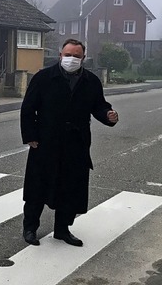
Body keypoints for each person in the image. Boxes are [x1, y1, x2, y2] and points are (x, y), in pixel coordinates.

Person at [20, 39, 119, 246]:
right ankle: (30, 228)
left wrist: (108, 115)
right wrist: (30, 136)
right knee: (37, 188)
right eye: (68, 55)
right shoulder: (44, 78)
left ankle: (62, 229)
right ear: (60, 56)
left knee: (70, 189)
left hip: (76, 144)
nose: (71, 59)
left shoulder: (91, 81)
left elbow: (99, 105)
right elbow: (28, 108)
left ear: (83, 58)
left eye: (76, 56)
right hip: (46, 142)